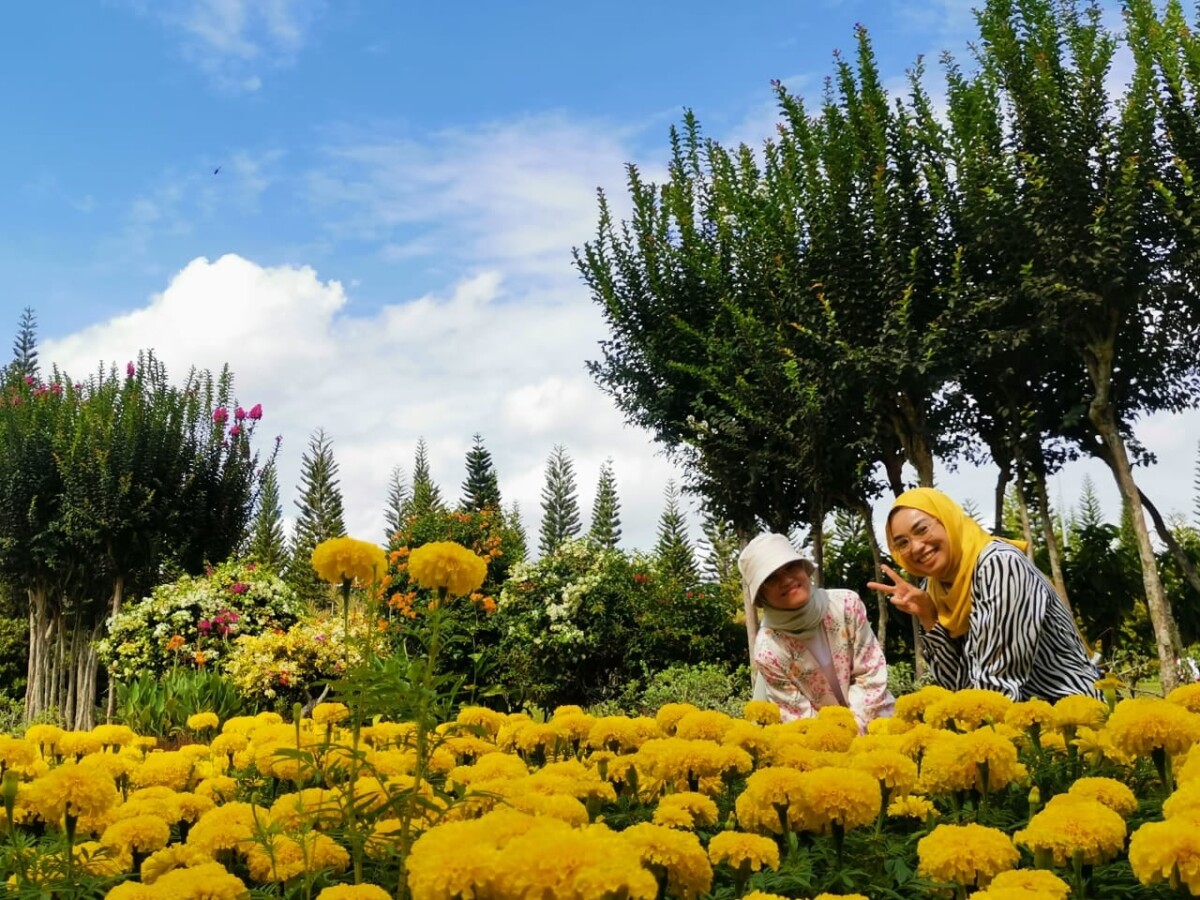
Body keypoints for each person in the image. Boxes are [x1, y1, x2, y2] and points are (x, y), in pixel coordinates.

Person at [868, 487, 1100, 701]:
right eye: (903, 543)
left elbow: (997, 684)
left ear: (948, 521)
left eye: (922, 529)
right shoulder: (936, 588)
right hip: (1015, 722)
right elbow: (955, 686)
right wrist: (928, 616)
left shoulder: (1000, 565)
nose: (916, 547)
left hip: (1071, 719)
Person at [739, 532, 894, 730]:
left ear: (804, 568)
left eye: (790, 567)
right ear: (761, 596)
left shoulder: (846, 605)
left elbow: (870, 674)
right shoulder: (768, 649)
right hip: (823, 744)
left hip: (878, 721)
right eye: (771, 578)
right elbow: (798, 716)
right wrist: (838, 741)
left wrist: (857, 732)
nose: (786, 580)